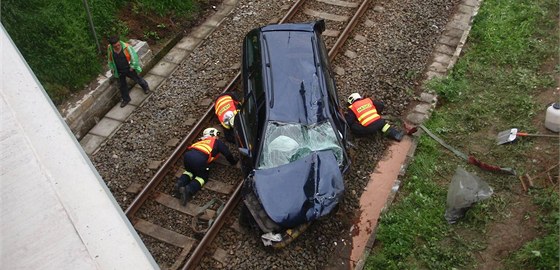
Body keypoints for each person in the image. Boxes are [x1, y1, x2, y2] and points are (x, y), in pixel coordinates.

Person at [175, 127, 238, 206]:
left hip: (188, 156)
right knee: (202, 177)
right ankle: (188, 190)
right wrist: (233, 162)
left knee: (189, 171)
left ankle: (179, 183)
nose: (218, 136)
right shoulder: (216, 141)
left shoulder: (201, 141)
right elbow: (227, 153)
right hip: (199, 159)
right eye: (217, 134)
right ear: (212, 134)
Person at [107, 36, 150, 108]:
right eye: (115, 46)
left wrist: (132, 66)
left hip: (128, 69)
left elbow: (134, 57)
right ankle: (126, 99)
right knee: (122, 85)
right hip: (119, 70)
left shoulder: (127, 47)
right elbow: (110, 58)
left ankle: (145, 87)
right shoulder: (110, 48)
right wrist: (112, 68)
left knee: (137, 79)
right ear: (112, 45)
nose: (117, 47)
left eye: (118, 45)